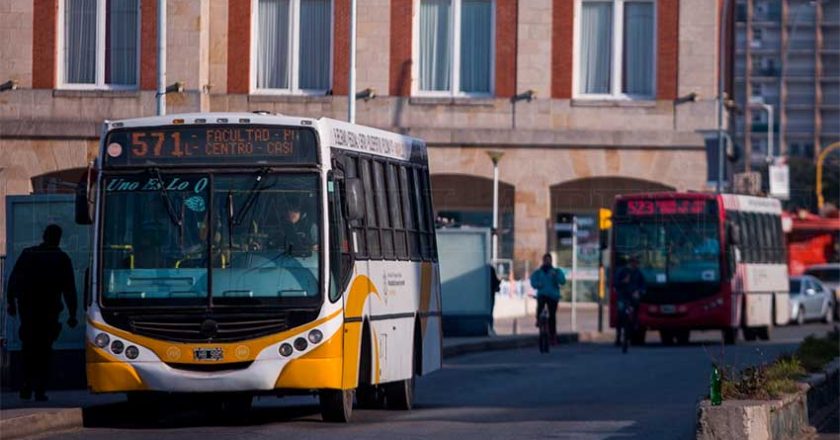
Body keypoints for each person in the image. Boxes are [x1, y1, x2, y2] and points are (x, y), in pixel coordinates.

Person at [6, 224, 78, 401]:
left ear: (44, 236)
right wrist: (72, 314)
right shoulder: (61, 258)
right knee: (44, 351)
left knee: (29, 349)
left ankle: (27, 385)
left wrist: (11, 302)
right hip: (47, 312)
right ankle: (37, 388)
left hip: (29, 311)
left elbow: (13, 279)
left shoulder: (29, 254)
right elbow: (69, 289)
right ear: (58, 238)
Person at [529, 253, 566, 343]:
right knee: (540, 306)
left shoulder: (556, 271)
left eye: (549, 260)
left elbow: (562, 281)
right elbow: (533, 281)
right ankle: (538, 320)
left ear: (551, 261)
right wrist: (538, 285)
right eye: (546, 260)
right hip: (542, 294)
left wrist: (555, 277)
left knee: (552, 316)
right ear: (543, 261)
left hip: (553, 295)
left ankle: (552, 335)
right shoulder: (538, 272)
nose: (547, 262)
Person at [614, 255, 646, 346]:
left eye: (636, 263)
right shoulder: (621, 271)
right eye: (633, 262)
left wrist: (639, 292)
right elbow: (615, 283)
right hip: (622, 296)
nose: (635, 264)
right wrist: (623, 281)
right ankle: (618, 336)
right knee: (620, 314)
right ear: (630, 263)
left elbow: (643, 285)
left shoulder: (638, 273)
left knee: (635, 309)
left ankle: (634, 326)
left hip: (632, 297)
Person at [488, 264, 501, 335]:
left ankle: (489, 327)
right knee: (490, 312)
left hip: (485, 295)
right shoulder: (490, 269)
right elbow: (495, 283)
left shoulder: (487, 269)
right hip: (490, 294)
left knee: (489, 312)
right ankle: (490, 327)